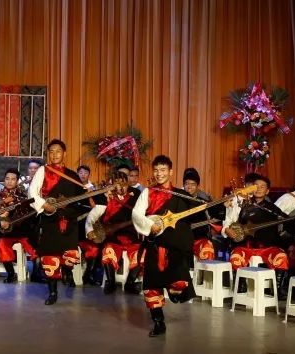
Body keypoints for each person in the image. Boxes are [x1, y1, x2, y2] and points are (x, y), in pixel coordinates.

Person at [131, 155, 197, 337]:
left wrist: (226, 204)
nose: (159, 174)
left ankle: (175, 293)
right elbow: (136, 214)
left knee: (179, 284)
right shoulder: (148, 192)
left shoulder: (181, 195)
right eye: (156, 170)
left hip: (176, 249)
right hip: (154, 245)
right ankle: (158, 322)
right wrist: (149, 225)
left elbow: (199, 212)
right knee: (151, 286)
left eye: (163, 170)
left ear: (171, 172)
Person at [27, 139, 89, 305]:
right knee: (50, 256)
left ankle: (67, 271)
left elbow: (82, 198)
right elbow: (32, 192)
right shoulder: (43, 170)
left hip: (69, 222)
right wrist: (44, 205)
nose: (54, 155)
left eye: (58, 151)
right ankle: (53, 292)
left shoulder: (73, 175)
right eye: (51, 152)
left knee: (68, 254)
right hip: (50, 220)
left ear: (64, 154)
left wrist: (93, 195)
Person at [85, 164, 144, 294]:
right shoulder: (107, 197)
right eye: (117, 184)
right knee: (108, 250)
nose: (121, 187)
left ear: (128, 184)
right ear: (112, 185)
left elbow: (142, 215)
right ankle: (111, 282)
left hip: (131, 236)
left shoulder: (136, 196)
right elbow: (92, 215)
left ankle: (130, 283)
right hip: (113, 237)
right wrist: (89, 229)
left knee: (141, 252)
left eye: (123, 184)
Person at [0, 169, 37, 283]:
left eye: (13, 179)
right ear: (4, 180)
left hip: (23, 231)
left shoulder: (23, 196)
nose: (9, 181)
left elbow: (31, 214)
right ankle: (11, 273)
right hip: (6, 232)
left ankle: (36, 273)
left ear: (17, 181)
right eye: (7, 179)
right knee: (1, 244)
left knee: (35, 247)